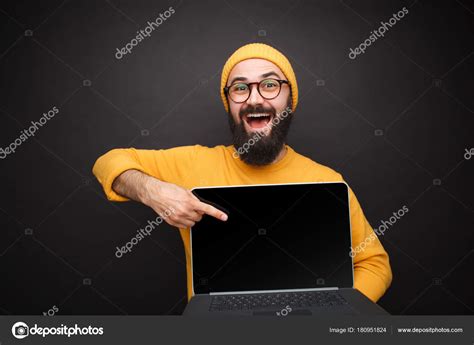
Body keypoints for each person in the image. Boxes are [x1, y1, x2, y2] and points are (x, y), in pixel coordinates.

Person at [93, 43, 392, 304]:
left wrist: (325, 318)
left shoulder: (327, 182)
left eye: (270, 84)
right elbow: (108, 162)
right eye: (240, 88)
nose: (254, 99)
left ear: (290, 99)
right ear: (229, 103)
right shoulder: (195, 163)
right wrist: (153, 191)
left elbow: (374, 265)